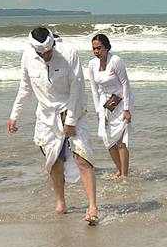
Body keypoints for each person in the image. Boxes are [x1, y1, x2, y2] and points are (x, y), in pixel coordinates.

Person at [8, 27, 101, 225]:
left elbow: (77, 88)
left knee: (83, 157)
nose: (46, 56)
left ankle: (92, 206)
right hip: (45, 116)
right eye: (41, 53)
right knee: (53, 161)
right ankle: (61, 201)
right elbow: (25, 87)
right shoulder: (27, 57)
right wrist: (14, 115)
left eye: (49, 51)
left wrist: (70, 121)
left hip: (72, 109)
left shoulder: (69, 53)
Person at [88, 33, 134, 178]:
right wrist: (97, 111)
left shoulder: (116, 61)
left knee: (120, 140)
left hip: (120, 101)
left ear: (106, 47)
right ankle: (119, 169)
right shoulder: (92, 64)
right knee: (107, 140)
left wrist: (127, 109)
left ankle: (124, 174)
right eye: (94, 49)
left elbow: (126, 85)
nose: (96, 51)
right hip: (104, 104)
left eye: (99, 48)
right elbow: (94, 89)